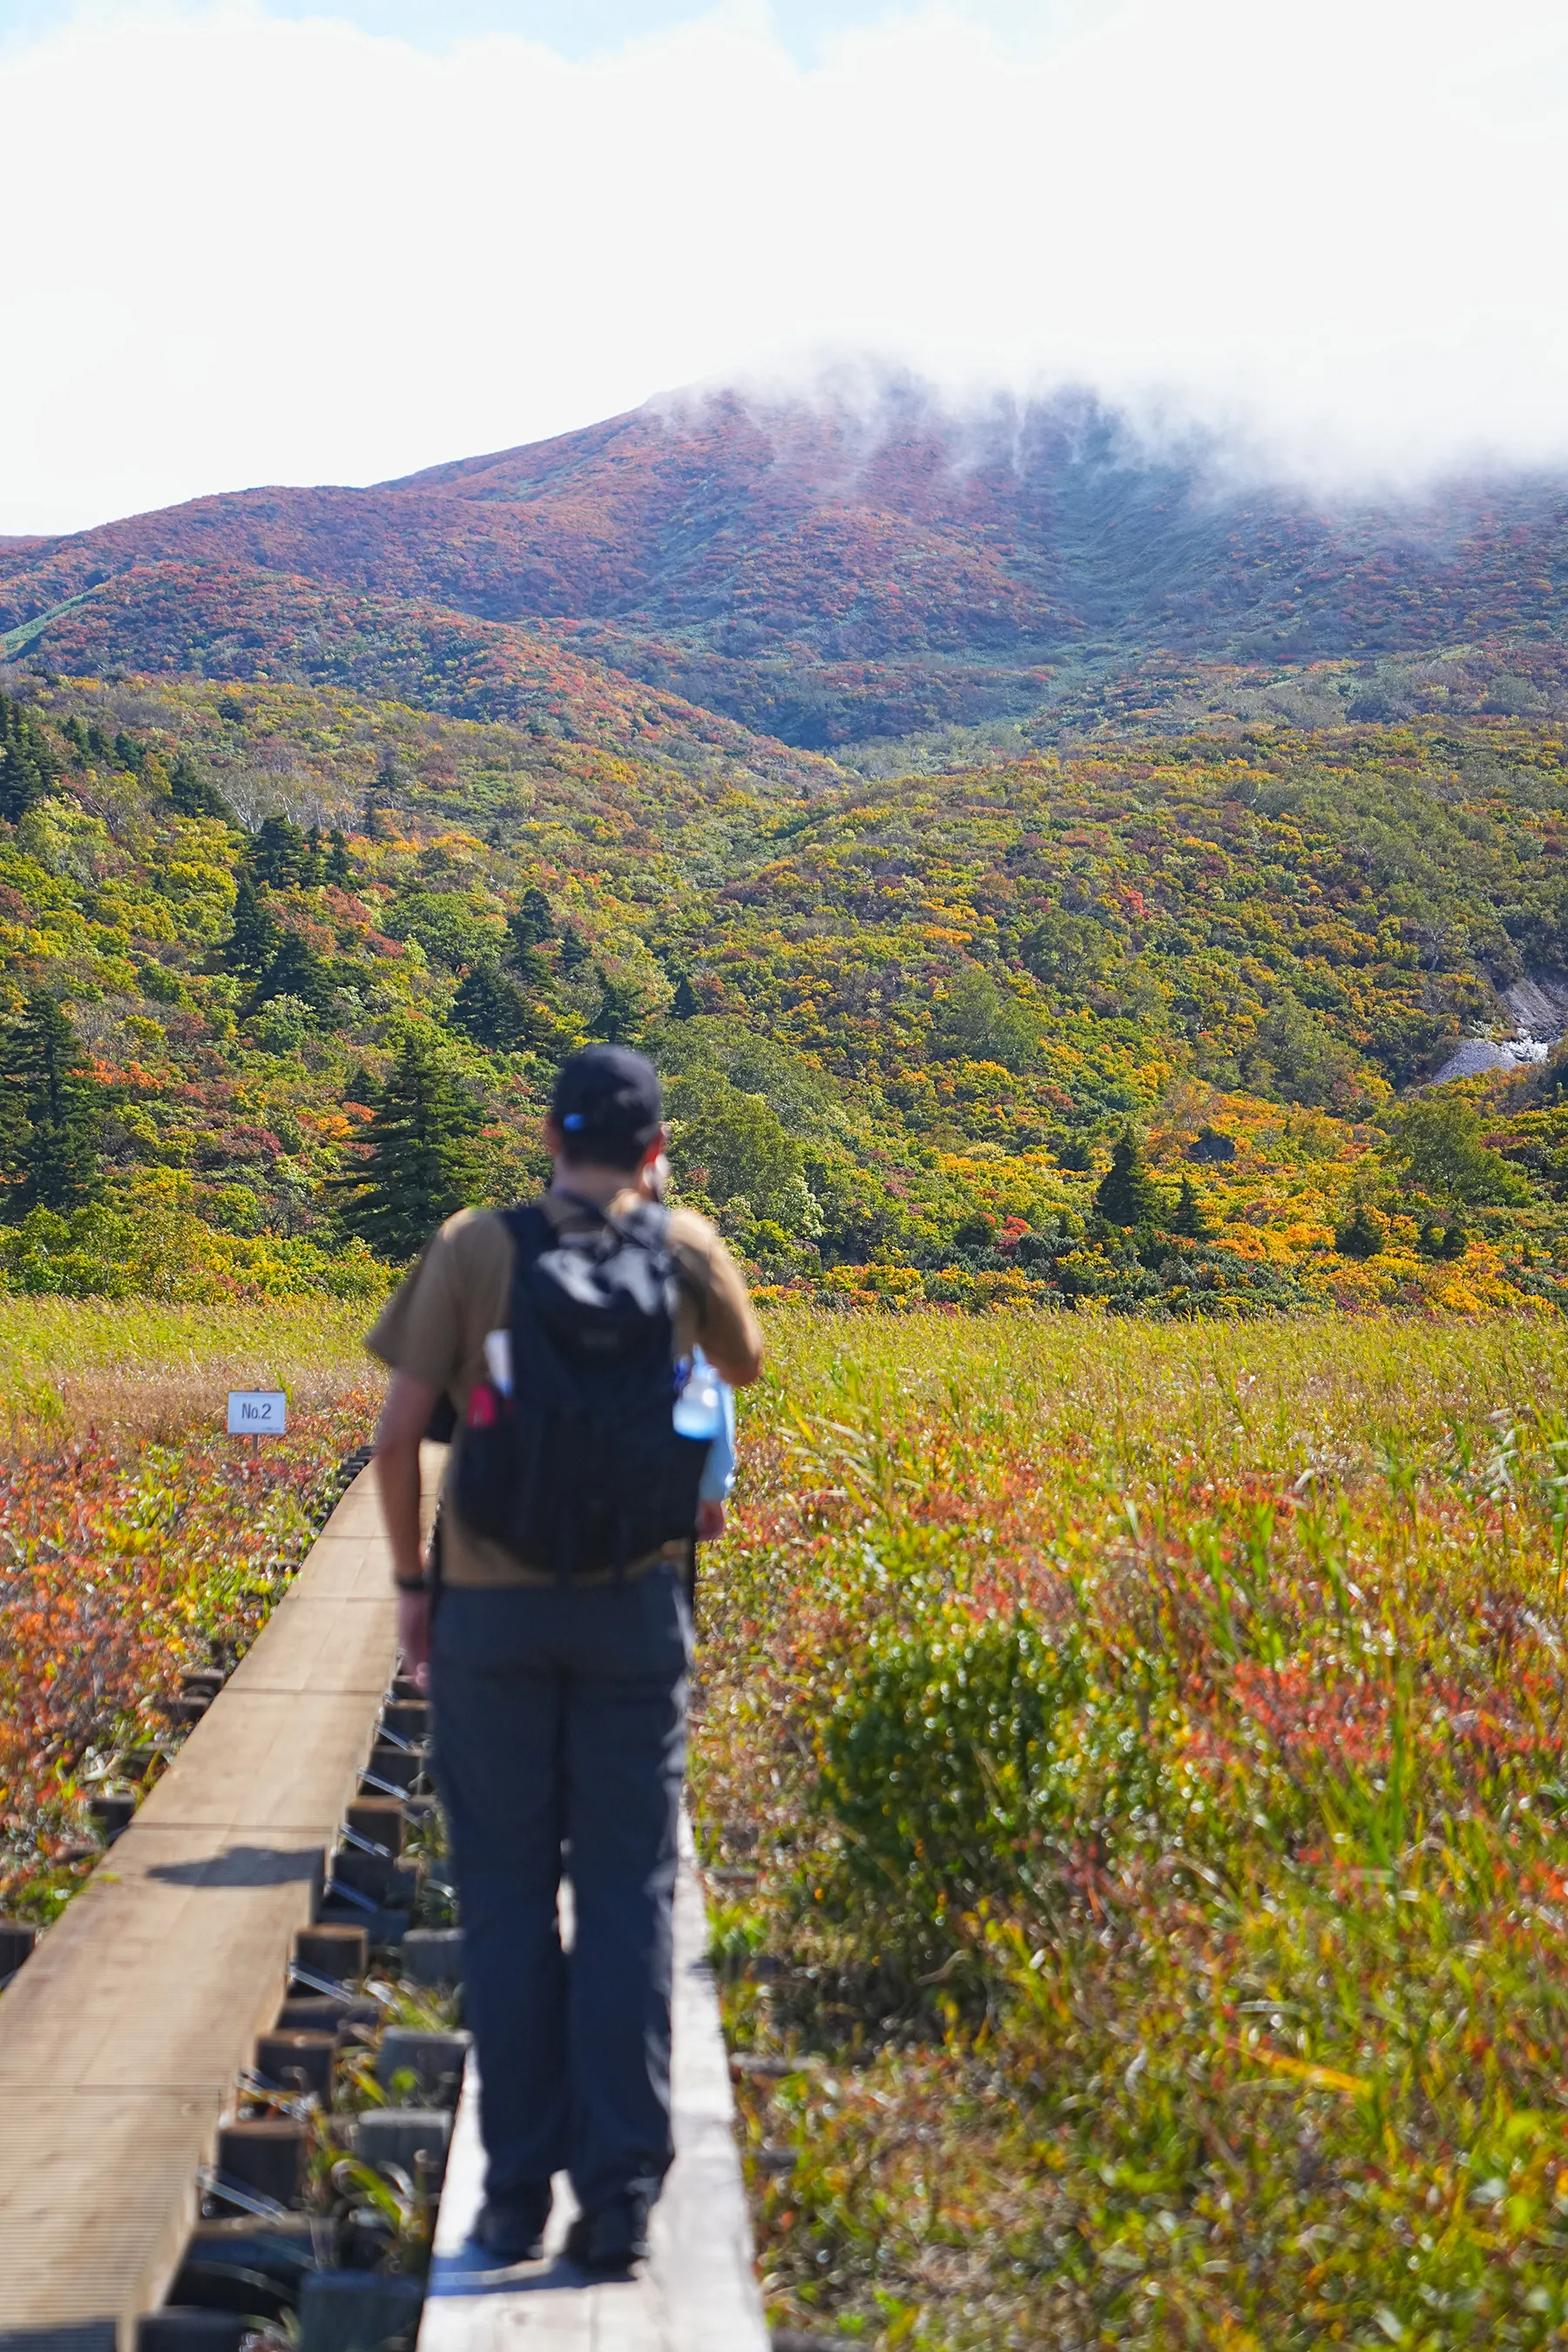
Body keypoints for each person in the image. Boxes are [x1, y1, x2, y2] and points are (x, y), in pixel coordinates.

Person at [367, 1045, 763, 2272]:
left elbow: (395, 1443)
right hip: (636, 1613)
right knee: (629, 1891)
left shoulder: (477, 1246)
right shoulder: (685, 1246)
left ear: (549, 1135)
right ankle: (621, 2200)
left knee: (503, 1894)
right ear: (654, 1148)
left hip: (490, 1619)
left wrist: (414, 1590)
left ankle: (512, 2195)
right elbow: (742, 1366)